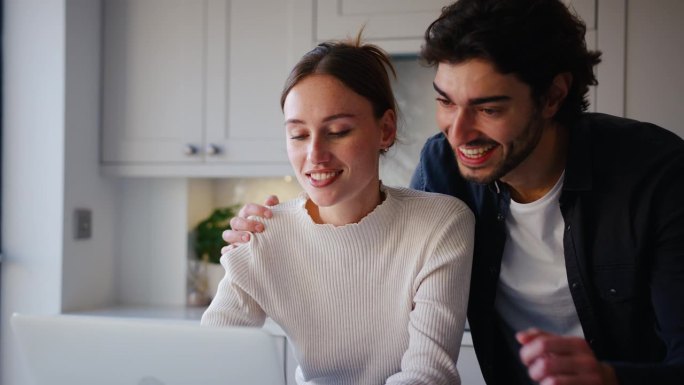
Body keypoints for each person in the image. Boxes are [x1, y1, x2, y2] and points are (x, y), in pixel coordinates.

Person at [222, 0, 684, 384]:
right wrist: (271, 236)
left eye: (487, 107)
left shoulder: (653, 175)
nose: (458, 133)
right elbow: (388, 258)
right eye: (445, 101)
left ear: (552, 96)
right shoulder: (444, 168)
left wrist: (608, 378)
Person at [201, 35, 475, 385]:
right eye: (299, 135)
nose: (315, 154)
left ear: (386, 129)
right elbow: (210, 363)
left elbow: (427, 376)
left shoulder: (441, 223)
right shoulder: (262, 235)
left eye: (337, 131)